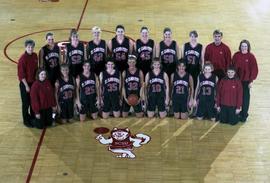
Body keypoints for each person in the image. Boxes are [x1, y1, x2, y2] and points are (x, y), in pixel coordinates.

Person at [232, 40, 258, 122]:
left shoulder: (251, 57)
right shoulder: (236, 55)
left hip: (246, 81)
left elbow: (254, 70)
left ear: (248, 47)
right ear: (240, 47)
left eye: (245, 46)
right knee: (236, 97)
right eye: (242, 46)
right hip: (237, 80)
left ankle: (244, 115)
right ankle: (236, 113)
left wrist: (251, 81)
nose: (244, 48)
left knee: (245, 99)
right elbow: (232, 67)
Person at [17, 39, 38, 127]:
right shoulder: (22, 59)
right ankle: (26, 120)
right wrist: (26, 86)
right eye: (28, 47)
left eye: (32, 47)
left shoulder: (35, 56)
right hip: (25, 84)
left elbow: (36, 70)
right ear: (25, 47)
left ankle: (33, 117)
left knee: (33, 101)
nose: (30, 48)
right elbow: (21, 75)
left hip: (33, 83)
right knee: (26, 103)